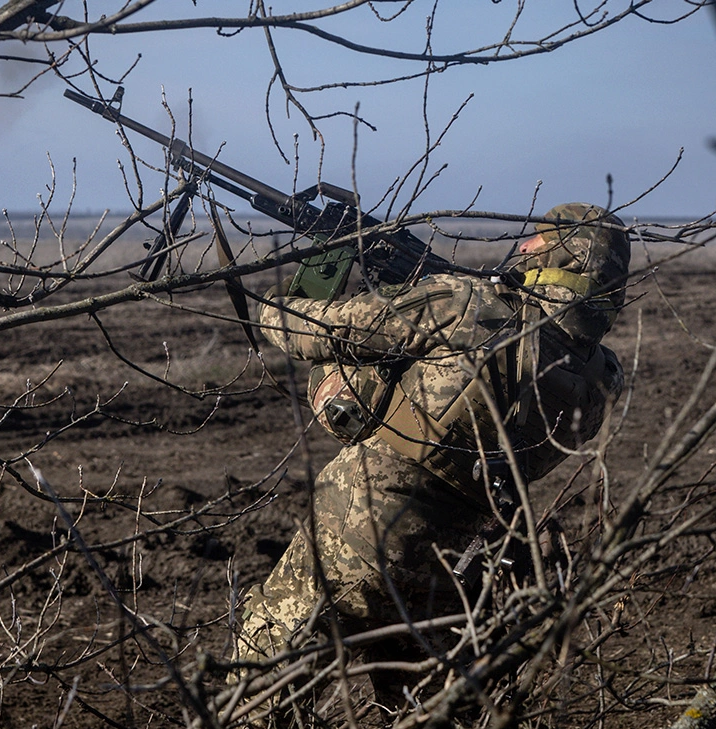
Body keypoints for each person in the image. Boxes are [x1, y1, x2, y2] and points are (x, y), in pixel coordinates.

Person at [230, 203, 631, 719]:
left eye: (539, 239)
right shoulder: (599, 379)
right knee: (424, 705)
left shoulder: (465, 304)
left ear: (563, 256)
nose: (526, 245)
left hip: (362, 530)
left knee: (265, 671)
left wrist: (286, 297)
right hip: (454, 560)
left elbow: (309, 329)